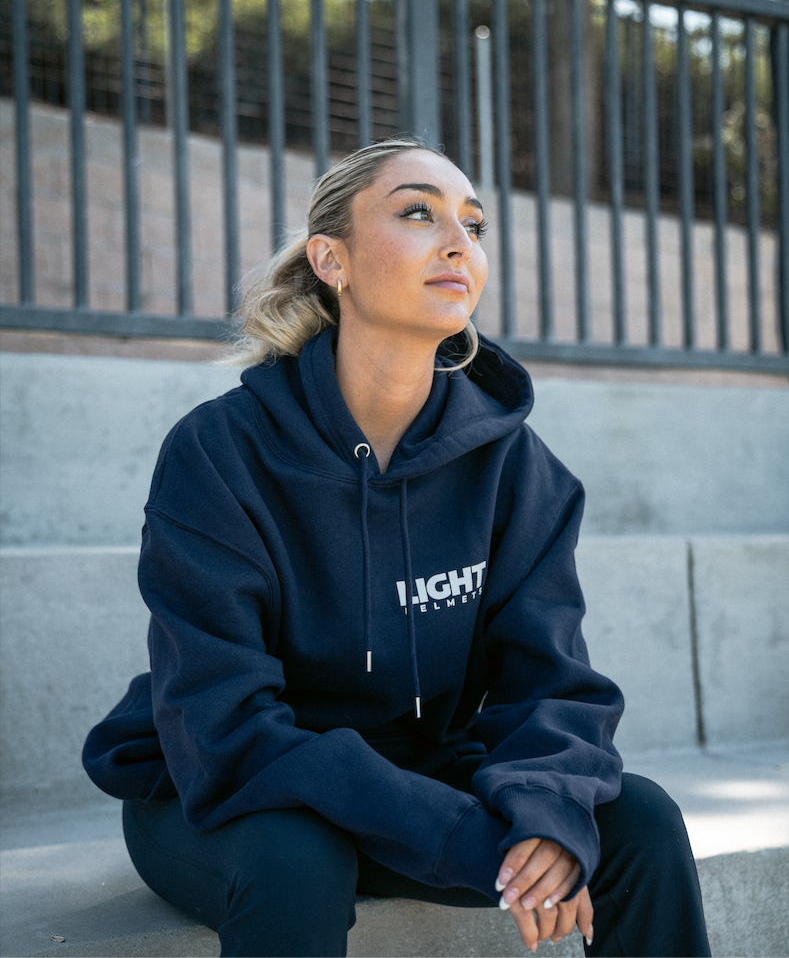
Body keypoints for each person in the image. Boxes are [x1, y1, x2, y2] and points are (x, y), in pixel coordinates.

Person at [83, 138, 710, 958]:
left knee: (640, 822)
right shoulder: (219, 452)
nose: (458, 241)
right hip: (231, 787)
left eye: (473, 224)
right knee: (297, 858)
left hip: (424, 775)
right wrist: (459, 834)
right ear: (330, 259)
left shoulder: (513, 466)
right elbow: (223, 721)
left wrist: (546, 814)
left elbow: (553, 684)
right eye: (418, 212)